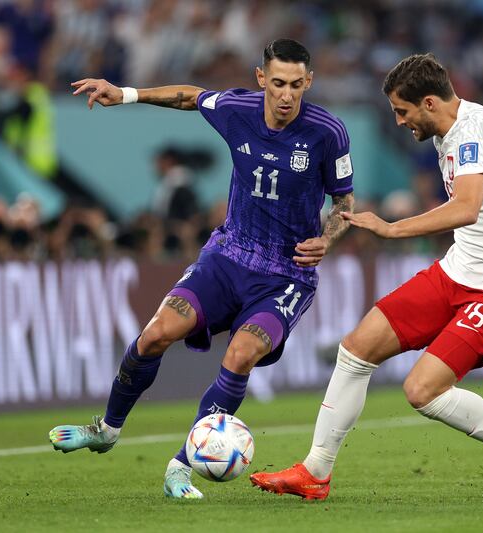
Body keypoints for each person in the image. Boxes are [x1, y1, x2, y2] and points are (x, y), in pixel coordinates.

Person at [250, 54, 483, 500]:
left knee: (422, 390)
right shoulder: (472, 119)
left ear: (428, 102)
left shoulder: (469, 135)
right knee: (357, 347)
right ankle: (316, 471)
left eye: (402, 112)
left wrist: (391, 228)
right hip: (459, 269)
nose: (399, 121)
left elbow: (466, 207)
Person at [48, 39, 355, 500]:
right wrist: (126, 94)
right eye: (277, 84)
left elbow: (344, 204)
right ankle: (107, 430)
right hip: (228, 255)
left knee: (239, 356)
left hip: (286, 274)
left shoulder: (328, 132)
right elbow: (190, 96)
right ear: (261, 79)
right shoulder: (237, 109)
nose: (287, 95)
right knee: (155, 334)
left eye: (296, 85)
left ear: (308, 82)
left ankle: (180, 467)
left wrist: (328, 238)